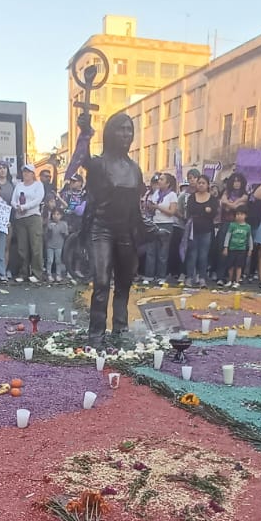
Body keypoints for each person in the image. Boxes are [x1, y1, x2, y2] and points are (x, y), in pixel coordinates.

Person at [77, 111, 145, 345]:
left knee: (124, 282)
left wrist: (151, 230)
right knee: (102, 282)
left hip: (126, 231)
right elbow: (83, 160)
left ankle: (120, 329)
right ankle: (96, 333)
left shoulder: (135, 169)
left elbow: (137, 208)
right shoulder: (99, 164)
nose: (126, 134)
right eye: (121, 128)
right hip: (101, 229)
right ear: (110, 132)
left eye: (129, 129)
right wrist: (85, 133)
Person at [11, 163, 45, 283]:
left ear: (33, 174)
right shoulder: (19, 185)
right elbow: (13, 200)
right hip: (20, 218)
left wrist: (25, 207)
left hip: (33, 217)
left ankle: (37, 273)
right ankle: (23, 272)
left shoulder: (38, 185)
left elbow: (38, 199)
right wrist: (17, 207)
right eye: (24, 171)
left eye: (28, 172)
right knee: (22, 247)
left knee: (35, 246)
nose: (26, 174)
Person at [183, 174, 219, 287]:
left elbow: (213, 213)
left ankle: (202, 277)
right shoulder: (192, 197)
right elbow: (191, 210)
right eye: (199, 183)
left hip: (207, 229)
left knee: (203, 255)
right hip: (193, 229)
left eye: (203, 183)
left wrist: (204, 211)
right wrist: (205, 210)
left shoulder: (212, 198)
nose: (201, 185)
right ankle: (189, 277)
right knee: (192, 254)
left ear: (208, 185)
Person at [142, 173, 178, 285]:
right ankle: (149, 275)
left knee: (163, 252)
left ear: (168, 183)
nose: (159, 181)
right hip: (154, 223)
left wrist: (157, 207)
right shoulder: (156, 193)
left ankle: (161, 276)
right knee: (151, 250)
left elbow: (172, 212)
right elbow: (153, 208)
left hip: (166, 224)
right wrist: (149, 206)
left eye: (162, 179)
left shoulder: (172, 195)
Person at [222, 208, 251, 288]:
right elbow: (228, 236)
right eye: (237, 214)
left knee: (239, 266)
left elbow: (249, 238)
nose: (239, 216)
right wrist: (225, 247)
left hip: (242, 249)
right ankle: (230, 280)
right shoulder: (232, 225)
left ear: (245, 215)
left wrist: (250, 249)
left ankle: (237, 281)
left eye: (241, 214)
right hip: (232, 248)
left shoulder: (248, 227)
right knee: (230, 265)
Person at [44, 207, 68, 283]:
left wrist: (63, 232)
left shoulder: (64, 224)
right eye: (54, 214)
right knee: (50, 260)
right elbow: (46, 235)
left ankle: (58, 275)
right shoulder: (49, 223)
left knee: (58, 260)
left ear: (61, 216)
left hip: (59, 245)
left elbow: (66, 235)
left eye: (58, 214)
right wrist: (49, 229)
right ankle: (49, 274)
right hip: (50, 245)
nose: (55, 216)